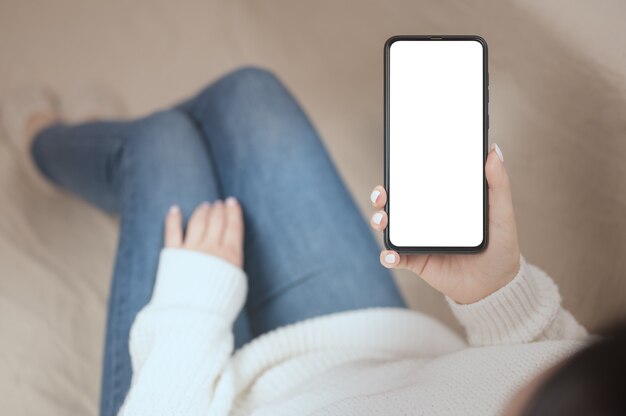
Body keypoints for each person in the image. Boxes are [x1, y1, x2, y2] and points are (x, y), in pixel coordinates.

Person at [1, 66, 617, 416]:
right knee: (251, 97)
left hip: (190, 398)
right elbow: (554, 359)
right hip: (370, 356)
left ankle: (48, 145)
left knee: (159, 145)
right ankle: (109, 158)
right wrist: (498, 292)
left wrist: (189, 311)